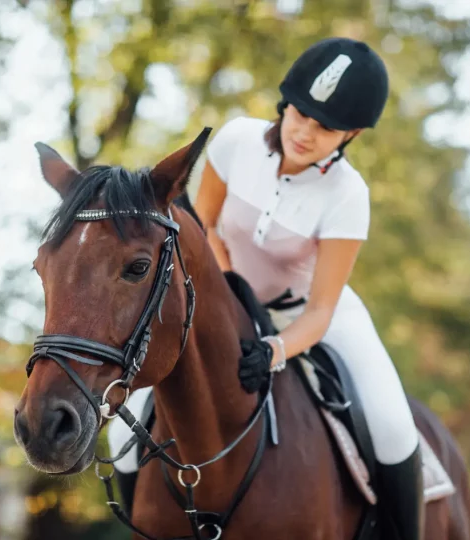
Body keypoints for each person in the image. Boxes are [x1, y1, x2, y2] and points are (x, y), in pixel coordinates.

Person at [107, 37, 423, 539]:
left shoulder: (348, 196)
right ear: (285, 104)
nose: (305, 132)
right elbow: (201, 225)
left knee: (392, 425)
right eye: (300, 114)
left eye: (326, 127)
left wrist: (275, 348)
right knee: (123, 424)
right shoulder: (235, 141)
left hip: (311, 316)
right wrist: (230, 293)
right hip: (223, 299)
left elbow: (321, 309)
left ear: (353, 134)